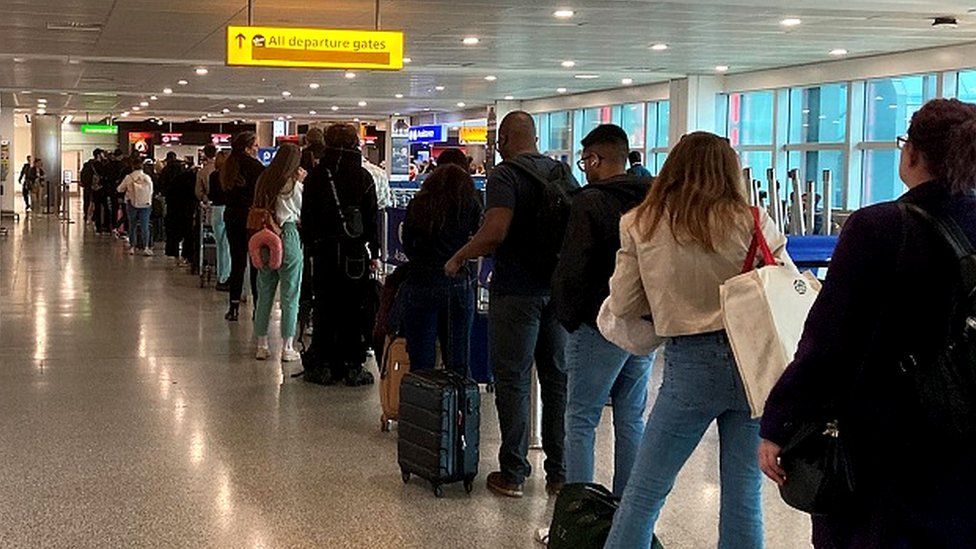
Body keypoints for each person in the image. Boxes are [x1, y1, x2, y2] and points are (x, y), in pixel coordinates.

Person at [760, 99, 976, 547]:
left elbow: (828, 342)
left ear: (912, 153)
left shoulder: (879, 228)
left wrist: (781, 422)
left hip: (886, 438)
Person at [603, 132, 791, 549]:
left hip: (689, 365)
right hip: (752, 366)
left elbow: (624, 301)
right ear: (729, 170)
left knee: (646, 491)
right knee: (743, 496)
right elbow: (781, 289)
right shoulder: (755, 221)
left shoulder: (642, 223)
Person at [445, 111, 580, 499]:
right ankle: (559, 474)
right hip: (556, 291)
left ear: (503, 138)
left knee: (514, 380)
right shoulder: (562, 174)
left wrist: (460, 256)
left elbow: (495, 232)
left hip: (517, 292)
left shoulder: (504, 175)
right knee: (556, 381)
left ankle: (513, 473)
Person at [551, 125, 653, 498]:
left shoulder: (589, 201)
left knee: (581, 419)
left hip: (598, 325)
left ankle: (581, 511)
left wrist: (569, 316)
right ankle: (625, 510)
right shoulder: (653, 199)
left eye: (585, 161)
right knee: (631, 419)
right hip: (643, 326)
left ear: (595, 159)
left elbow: (573, 267)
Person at [300, 123, 380, 386]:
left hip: (323, 252)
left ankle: (324, 363)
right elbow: (372, 218)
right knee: (354, 307)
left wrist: (311, 244)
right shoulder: (363, 176)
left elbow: (307, 217)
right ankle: (353, 365)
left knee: (325, 306)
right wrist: (375, 251)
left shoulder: (317, 176)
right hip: (355, 254)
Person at [401, 164, 483, 375]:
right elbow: (479, 240)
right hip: (457, 282)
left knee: (421, 359)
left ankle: (424, 404)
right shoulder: (468, 206)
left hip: (421, 281)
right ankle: (460, 405)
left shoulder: (417, 204)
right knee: (458, 360)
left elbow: (408, 244)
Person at [252, 144, 307, 363]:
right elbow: (301, 211)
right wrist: (301, 183)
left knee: (264, 290)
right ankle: (287, 346)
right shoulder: (294, 184)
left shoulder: (263, 181)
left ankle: (262, 344)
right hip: (289, 235)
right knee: (290, 292)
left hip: (265, 236)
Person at [221, 132, 265, 321]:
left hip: (231, 216)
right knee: (255, 263)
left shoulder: (227, 166)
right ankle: (257, 307)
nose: (257, 148)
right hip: (251, 217)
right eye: (255, 145)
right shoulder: (256, 167)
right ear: (247, 147)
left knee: (237, 261)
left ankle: (233, 307)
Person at [117, 157, 154, 256]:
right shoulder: (147, 177)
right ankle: (146, 247)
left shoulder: (129, 177)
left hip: (131, 203)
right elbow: (151, 191)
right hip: (145, 204)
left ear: (132, 166)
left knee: (132, 225)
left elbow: (120, 189)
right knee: (144, 226)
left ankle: (132, 247)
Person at [163, 158, 196, 266]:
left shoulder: (171, 180)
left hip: (173, 211)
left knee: (174, 234)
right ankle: (186, 256)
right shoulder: (190, 178)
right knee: (188, 234)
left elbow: (167, 195)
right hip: (187, 210)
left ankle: (175, 255)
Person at [209, 151, 232, 291]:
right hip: (227, 210)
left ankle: (220, 276)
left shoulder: (213, 176)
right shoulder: (230, 176)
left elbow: (211, 194)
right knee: (227, 246)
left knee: (220, 245)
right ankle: (225, 276)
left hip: (216, 211)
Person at [80, 149, 103, 223]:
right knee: (94, 202)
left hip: (87, 186)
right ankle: (92, 216)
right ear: (98, 155)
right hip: (96, 186)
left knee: (87, 201)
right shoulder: (99, 164)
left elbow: (82, 174)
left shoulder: (87, 164)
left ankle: (86, 215)